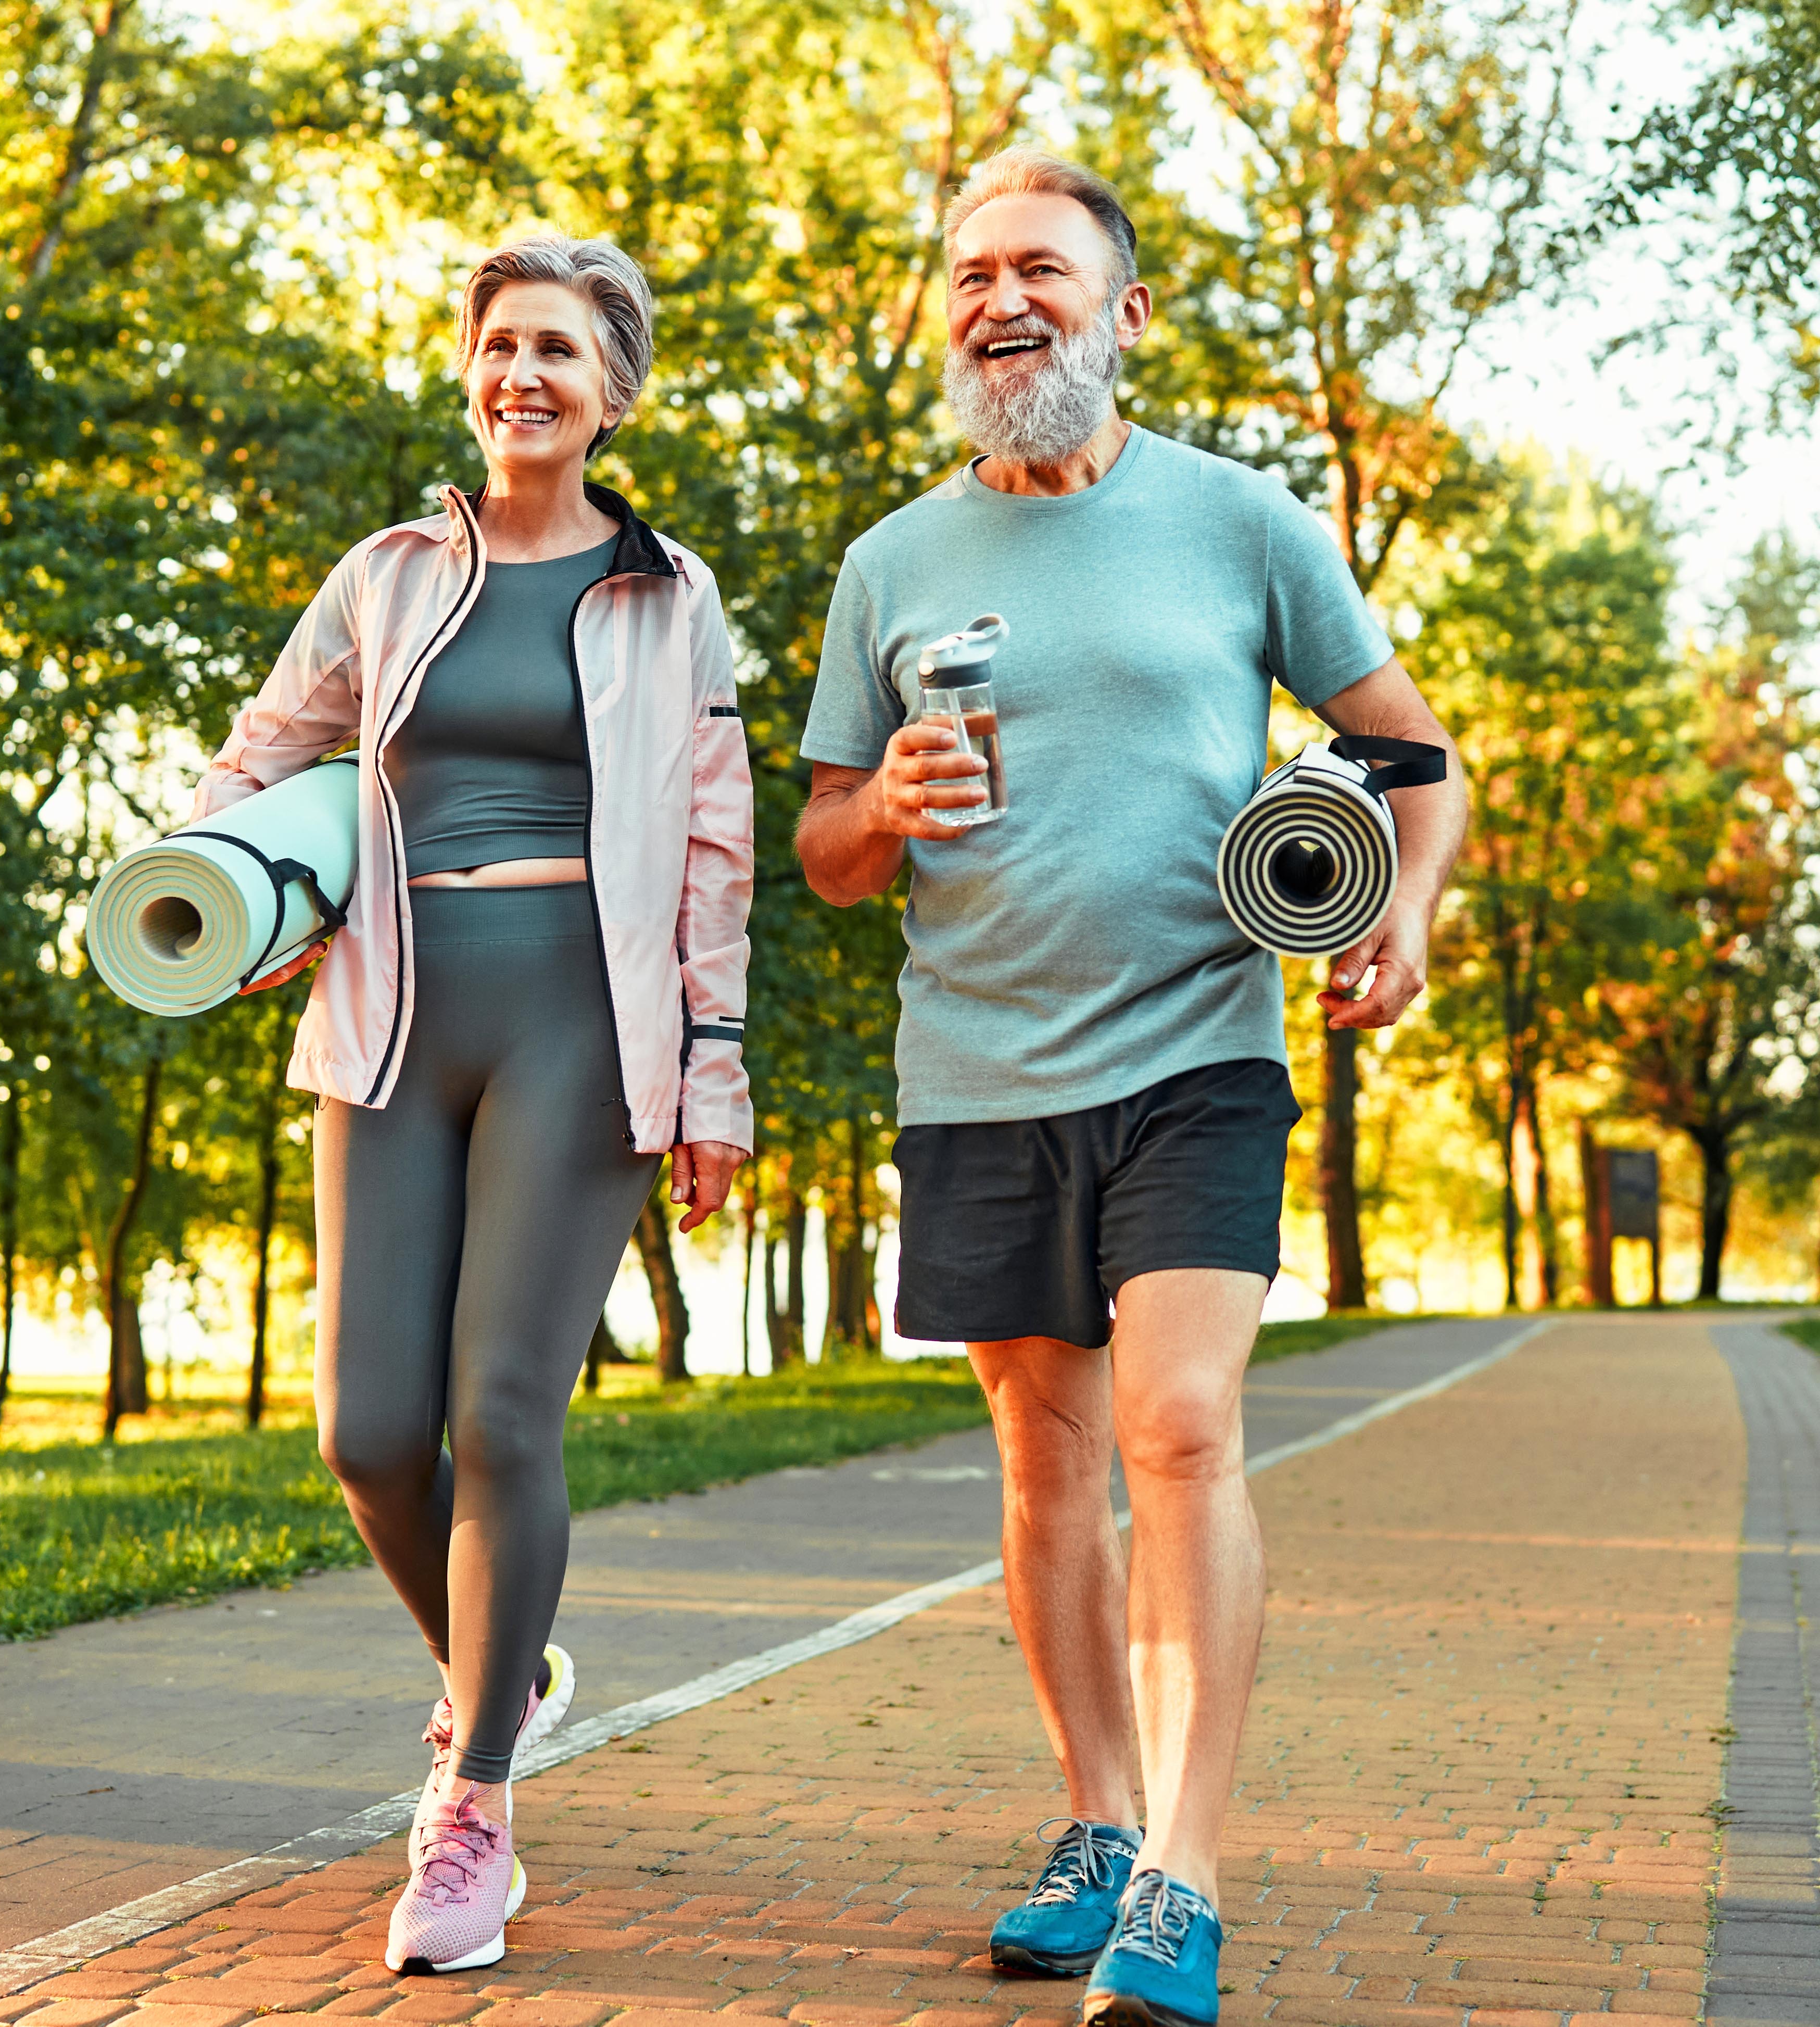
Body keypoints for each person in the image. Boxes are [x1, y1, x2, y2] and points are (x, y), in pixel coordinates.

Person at [793, 149, 1467, 2027]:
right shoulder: (889, 564)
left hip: (1197, 1052)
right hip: (977, 1066)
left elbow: (1411, 755)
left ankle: (1188, 1867)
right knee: (1045, 1458)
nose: (999, 300)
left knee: (1176, 1428)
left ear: (1125, 311)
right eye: (967, 274)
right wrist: (877, 812)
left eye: (1041, 271)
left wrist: (1400, 916)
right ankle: (1094, 1824)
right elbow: (826, 850)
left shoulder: (1243, 522)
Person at [191, 235, 754, 1978]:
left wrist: (716, 1069)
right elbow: (261, 754)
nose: (527, 374)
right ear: (469, 371)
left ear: (613, 392)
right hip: (390, 1019)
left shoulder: (671, 593)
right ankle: (502, 1665)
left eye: (562, 352)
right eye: (503, 344)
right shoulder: (384, 576)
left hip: (585, 1025)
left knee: (505, 1417)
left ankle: (475, 1811)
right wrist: (230, 887)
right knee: (366, 1433)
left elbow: (720, 842)